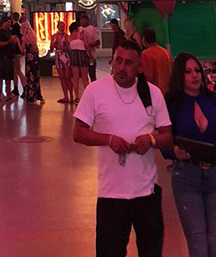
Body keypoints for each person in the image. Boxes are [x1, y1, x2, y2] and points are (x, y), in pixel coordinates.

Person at [74, 39, 173, 257]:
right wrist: (108, 139)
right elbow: (78, 132)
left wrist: (151, 139)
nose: (121, 67)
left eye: (128, 63)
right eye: (118, 61)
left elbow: (167, 135)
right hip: (111, 195)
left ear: (139, 67)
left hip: (146, 193)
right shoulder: (95, 91)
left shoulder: (153, 93)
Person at [165, 53, 216, 257]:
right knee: (197, 240)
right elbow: (164, 138)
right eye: (187, 72)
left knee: (214, 241)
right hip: (186, 176)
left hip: (215, 174)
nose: (194, 76)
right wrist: (173, 151)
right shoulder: (172, 103)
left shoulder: (214, 100)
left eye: (197, 70)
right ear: (179, 76)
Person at [0, 17, 18, 101]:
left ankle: (8, 92)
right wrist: (9, 42)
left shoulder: (8, 32)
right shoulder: (0, 33)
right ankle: (1, 93)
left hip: (10, 56)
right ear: (3, 23)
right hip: (3, 57)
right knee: (2, 75)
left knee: (9, 76)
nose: (9, 24)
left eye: (10, 23)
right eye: (8, 22)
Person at [21, 19, 44, 104]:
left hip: (29, 61)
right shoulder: (33, 37)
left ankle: (31, 97)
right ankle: (39, 96)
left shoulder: (24, 38)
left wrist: (17, 42)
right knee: (36, 78)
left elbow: (21, 50)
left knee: (30, 78)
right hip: (35, 60)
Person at [50, 20, 74, 104]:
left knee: (67, 77)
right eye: (61, 26)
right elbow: (51, 48)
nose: (62, 28)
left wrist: (64, 47)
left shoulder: (67, 36)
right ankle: (65, 96)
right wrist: (55, 43)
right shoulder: (54, 36)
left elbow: (69, 48)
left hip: (65, 56)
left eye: (63, 26)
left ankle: (71, 95)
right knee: (62, 77)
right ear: (57, 27)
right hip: (58, 56)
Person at [68, 20, 90, 102]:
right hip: (82, 54)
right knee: (85, 78)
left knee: (75, 78)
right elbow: (87, 45)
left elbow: (69, 48)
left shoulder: (69, 37)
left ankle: (77, 96)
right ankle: (87, 96)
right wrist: (90, 54)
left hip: (73, 55)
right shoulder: (81, 35)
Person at [81, 11, 101, 83]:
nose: (83, 22)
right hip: (81, 54)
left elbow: (98, 42)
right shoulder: (79, 29)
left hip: (90, 54)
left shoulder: (92, 29)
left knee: (92, 72)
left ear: (87, 21)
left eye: (84, 21)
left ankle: (94, 85)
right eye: (81, 21)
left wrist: (89, 45)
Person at [11, 11, 26, 97]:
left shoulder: (15, 27)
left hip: (16, 51)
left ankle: (24, 87)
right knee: (16, 71)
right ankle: (16, 88)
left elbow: (14, 38)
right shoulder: (19, 27)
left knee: (18, 70)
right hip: (18, 51)